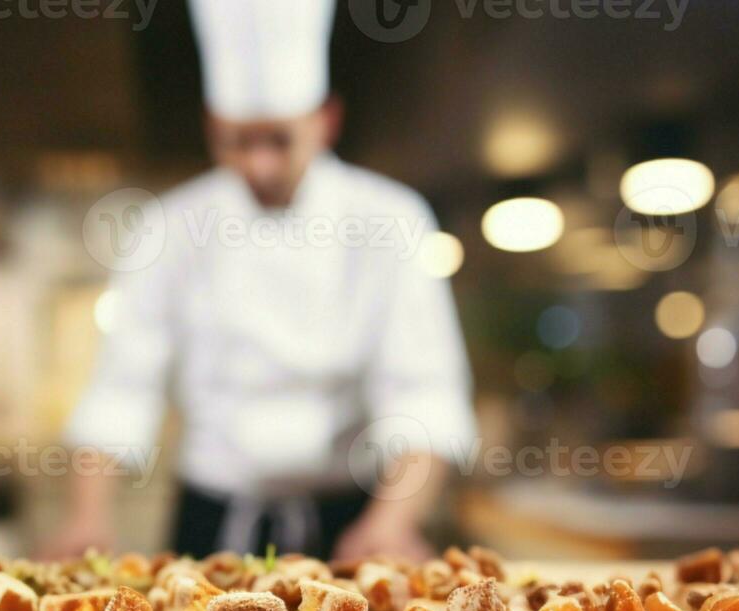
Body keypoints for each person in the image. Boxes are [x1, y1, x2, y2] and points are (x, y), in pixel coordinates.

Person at [47, 0, 477, 561]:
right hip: (211, 520)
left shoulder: (391, 220)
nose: (259, 166)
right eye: (236, 142)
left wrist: (393, 522)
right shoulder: (169, 228)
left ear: (325, 122)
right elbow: (122, 386)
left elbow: (425, 391)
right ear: (210, 127)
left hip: (349, 520)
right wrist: (86, 517)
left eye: (278, 140)